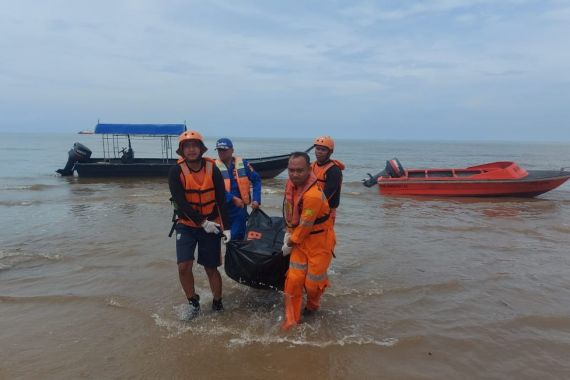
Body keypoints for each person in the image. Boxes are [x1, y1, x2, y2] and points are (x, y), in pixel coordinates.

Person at [168, 130, 231, 316]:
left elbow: (221, 200)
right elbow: (181, 201)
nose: (192, 150)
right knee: (183, 266)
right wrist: (202, 222)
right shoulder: (175, 171)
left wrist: (226, 228)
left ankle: (217, 302)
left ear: (201, 149)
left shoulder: (213, 169)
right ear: (182, 151)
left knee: (211, 267)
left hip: (211, 225)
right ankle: (193, 302)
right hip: (187, 225)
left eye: (195, 146)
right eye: (187, 146)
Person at [281, 152, 336, 330]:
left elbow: (305, 224)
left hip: (319, 243)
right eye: (291, 170)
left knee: (313, 283)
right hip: (300, 241)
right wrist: (288, 232)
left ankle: (313, 305)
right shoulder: (290, 185)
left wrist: (289, 243)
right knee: (293, 281)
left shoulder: (312, 195)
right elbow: (289, 212)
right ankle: (291, 320)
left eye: (299, 170)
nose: (295, 174)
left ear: (308, 169)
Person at [214, 138, 262, 241]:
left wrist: (256, 199)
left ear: (232, 150)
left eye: (224, 150)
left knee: (239, 237)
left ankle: (234, 256)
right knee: (226, 238)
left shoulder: (243, 164)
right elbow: (213, 188)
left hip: (240, 209)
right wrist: (232, 198)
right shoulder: (214, 167)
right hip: (221, 209)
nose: (221, 152)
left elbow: (257, 180)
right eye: (219, 150)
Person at [311, 136, 344, 224]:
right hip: (312, 206)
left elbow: (327, 194)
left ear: (330, 152)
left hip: (326, 210)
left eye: (323, 150)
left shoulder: (334, 171)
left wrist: (313, 206)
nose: (319, 152)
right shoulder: (312, 166)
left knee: (324, 236)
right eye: (317, 149)